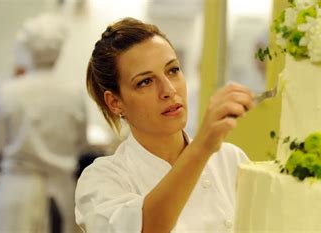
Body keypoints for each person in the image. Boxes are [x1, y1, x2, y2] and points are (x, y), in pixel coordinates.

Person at [75, 17, 255, 232]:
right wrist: (202, 148)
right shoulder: (103, 180)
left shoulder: (231, 160)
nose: (169, 90)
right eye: (145, 82)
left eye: (173, 70)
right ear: (115, 103)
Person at [0, 13, 88, 233]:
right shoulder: (74, 93)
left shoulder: (8, 91)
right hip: (62, 191)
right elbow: (81, 142)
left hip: (16, 190)